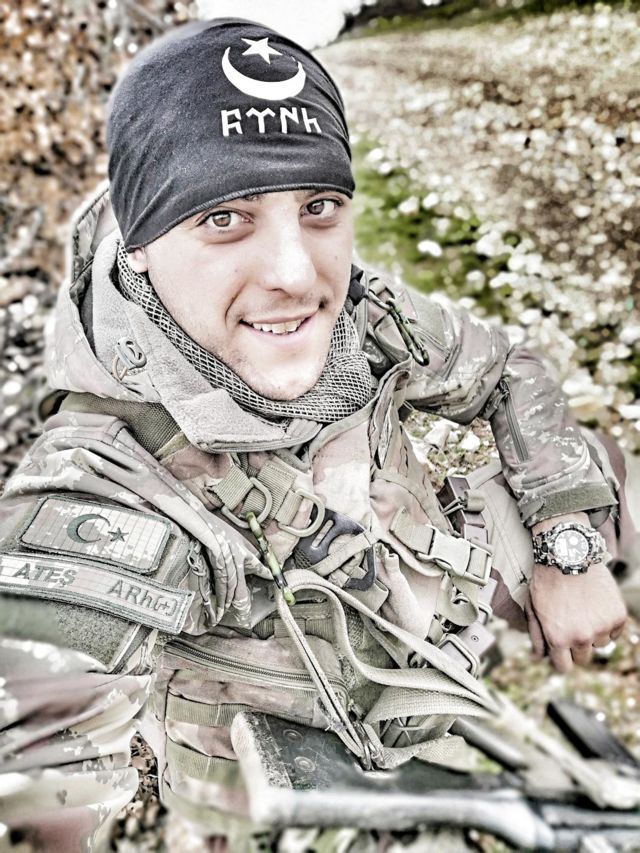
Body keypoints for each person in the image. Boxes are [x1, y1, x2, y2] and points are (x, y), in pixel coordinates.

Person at [0, 18, 637, 852]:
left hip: (421, 602)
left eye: (319, 207)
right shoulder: (101, 487)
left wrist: (566, 543)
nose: (297, 275)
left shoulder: (363, 314)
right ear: (141, 238)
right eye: (223, 217)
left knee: (612, 472)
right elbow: (32, 778)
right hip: (318, 795)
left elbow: (504, 368)